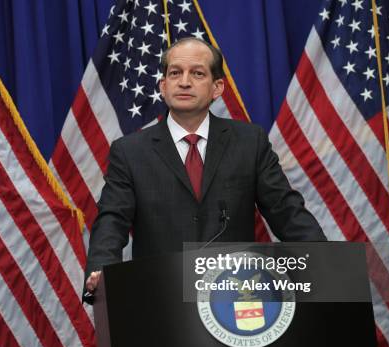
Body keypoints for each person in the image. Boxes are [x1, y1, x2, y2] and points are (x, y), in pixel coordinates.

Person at [84, 37, 325, 298]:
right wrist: (101, 269)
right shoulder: (129, 151)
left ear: (217, 87)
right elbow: (112, 220)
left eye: (197, 73)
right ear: (163, 86)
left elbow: (286, 211)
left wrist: (326, 261)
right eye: (175, 73)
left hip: (236, 298)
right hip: (161, 299)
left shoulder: (249, 142)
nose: (184, 81)